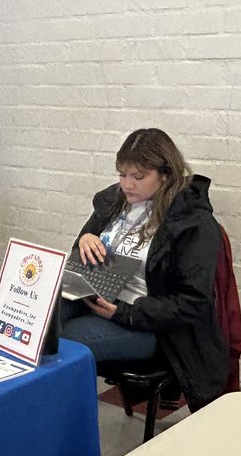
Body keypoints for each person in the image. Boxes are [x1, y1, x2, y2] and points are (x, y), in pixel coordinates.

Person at [62, 128, 228, 411]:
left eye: (138, 177)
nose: (127, 184)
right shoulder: (116, 201)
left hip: (152, 327)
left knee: (67, 344)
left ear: (166, 174)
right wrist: (86, 239)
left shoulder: (192, 222)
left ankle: (66, 427)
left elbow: (193, 303)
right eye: (122, 174)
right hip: (99, 299)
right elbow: (83, 250)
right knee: (41, 322)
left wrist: (123, 313)